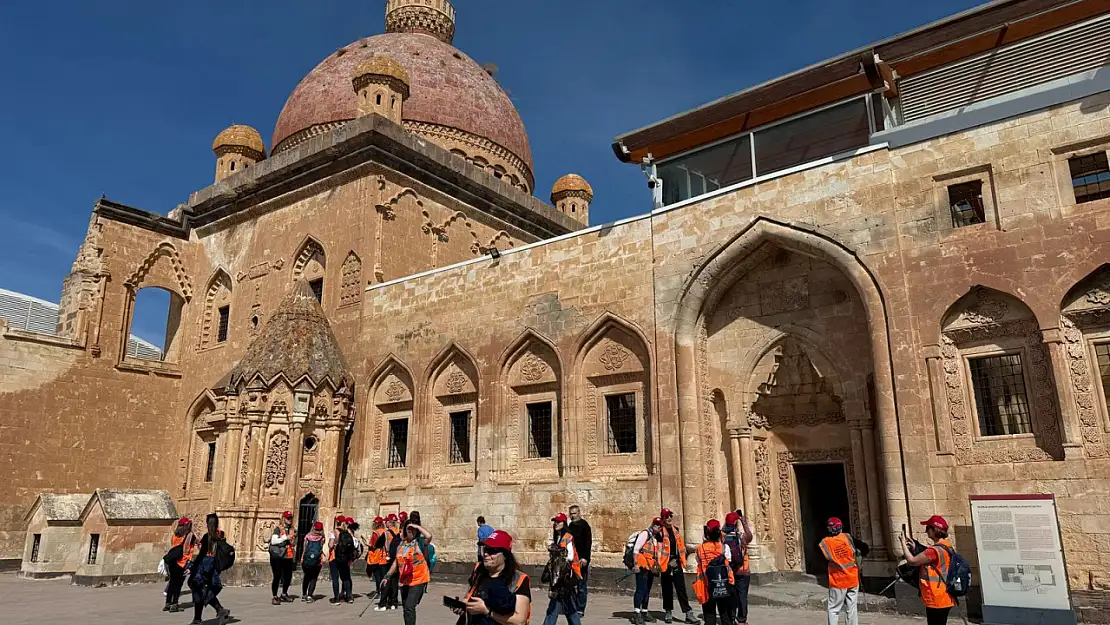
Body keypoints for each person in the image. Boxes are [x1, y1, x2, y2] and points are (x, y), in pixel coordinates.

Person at [453, 530, 532, 625]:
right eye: (485, 549)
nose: (486, 554)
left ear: (505, 555)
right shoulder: (479, 571)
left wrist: (486, 611)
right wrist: (464, 606)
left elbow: (520, 620)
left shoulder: (518, 579)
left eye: (491, 551)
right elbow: (469, 598)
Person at [902, 515, 955, 625]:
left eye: (928, 528)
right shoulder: (947, 546)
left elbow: (912, 561)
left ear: (934, 529)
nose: (926, 532)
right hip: (945, 595)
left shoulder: (934, 550)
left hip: (936, 597)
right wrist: (914, 546)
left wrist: (902, 543)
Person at [381, 520, 433, 625]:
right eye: (408, 529)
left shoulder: (420, 542)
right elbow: (396, 562)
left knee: (409, 606)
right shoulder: (401, 544)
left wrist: (417, 526)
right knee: (405, 607)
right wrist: (387, 576)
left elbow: (429, 536)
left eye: (413, 530)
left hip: (418, 580)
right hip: (404, 580)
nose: (411, 531)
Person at [187, 512, 233, 625]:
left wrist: (192, 568)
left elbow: (201, 555)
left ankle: (199, 618)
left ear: (208, 523)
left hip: (204, 568)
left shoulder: (207, 537)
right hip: (214, 569)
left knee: (199, 591)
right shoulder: (221, 535)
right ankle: (220, 611)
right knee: (206, 592)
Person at [660, 508, 700, 624]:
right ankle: (668, 611)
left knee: (681, 588)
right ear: (663, 518)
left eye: (670, 516)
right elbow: (659, 549)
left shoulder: (675, 530)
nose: (669, 518)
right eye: (666, 516)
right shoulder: (660, 533)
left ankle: (688, 613)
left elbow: (680, 546)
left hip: (676, 563)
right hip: (665, 564)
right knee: (667, 588)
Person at [542, 513, 581, 625]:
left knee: (555, 606)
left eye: (558, 522)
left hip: (566, 575)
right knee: (568, 606)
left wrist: (557, 552)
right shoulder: (558, 537)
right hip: (560, 575)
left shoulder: (568, 536)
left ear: (564, 523)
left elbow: (570, 556)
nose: (555, 524)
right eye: (555, 521)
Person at [819, 518, 860, 625]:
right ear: (840, 527)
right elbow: (861, 549)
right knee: (852, 607)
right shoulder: (847, 537)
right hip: (852, 577)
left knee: (833, 609)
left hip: (838, 580)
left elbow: (824, 558)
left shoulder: (825, 542)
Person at [693, 520, 734, 625]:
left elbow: (698, 560)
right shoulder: (724, 547)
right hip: (723, 584)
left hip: (707, 585)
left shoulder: (700, 548)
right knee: (725, 615)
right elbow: (728, 561)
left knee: (709, 615)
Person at [632, 517, 665, 625]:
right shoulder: (645, 534)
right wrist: (636, 564)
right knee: (640, 590)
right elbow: (636, 550)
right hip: (642, 567)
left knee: (647, 590)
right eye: (656, 524)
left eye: (660, 525)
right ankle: (637, 613)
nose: (658, 526)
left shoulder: (655, 537)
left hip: (650, 568)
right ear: (652, 524)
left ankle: (644, 611)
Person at [722, 511, 753, 625]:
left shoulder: (723, 537)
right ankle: (742, 620)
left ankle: (731, 617)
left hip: (730, 571)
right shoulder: (742, 537)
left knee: (731, 596)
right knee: (742, 596)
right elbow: (750, 535)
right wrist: (743, 520)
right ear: (736, 523)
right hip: (743, 571)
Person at [163, 516, 195, 613]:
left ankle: (168, 603)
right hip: (182, 562)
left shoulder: (175, 535)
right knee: (178, 584)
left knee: (172, 582)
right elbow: (191, 547)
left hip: (172, 560)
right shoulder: (190, 536)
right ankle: (175, 604)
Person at [567, 505, 592, 618]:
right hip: (572, 560)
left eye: (575, 513)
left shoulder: (585, 526)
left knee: (581, 587)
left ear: (579, 513)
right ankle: (573, 606)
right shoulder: (571, 525)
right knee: (571, 585)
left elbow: (588, 543)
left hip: (582, 560)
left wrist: (586, 558)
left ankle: (580, 609)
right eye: (571, 514)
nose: (573, 515)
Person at [269, 510, 297, 605]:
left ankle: (284, 593)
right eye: (288, 518)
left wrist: (293, 540)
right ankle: (274, 596)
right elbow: (273, 541)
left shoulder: (293, 529)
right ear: (283, 518)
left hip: (288, 555)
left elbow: (294, 543)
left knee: (288, 576)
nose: (289, 520)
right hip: (278, 555)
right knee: (277, 576)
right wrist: (286, 537)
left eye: (290, 518)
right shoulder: (278, 528)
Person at [331, 516, 357, 604]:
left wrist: (333, 543)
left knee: (335, 578)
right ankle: (349, 597)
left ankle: (337, 598)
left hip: (335, 558)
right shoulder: (348, 533)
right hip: (345, 558)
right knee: (346, 577)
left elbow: (331, 545)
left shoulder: (335, 532)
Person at [379, 514, 402, 611]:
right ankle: (394, 602)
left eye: (386, 521)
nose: (385, 523)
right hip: (396, 559)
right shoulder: (399, 532)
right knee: (394, 581)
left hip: (387, 559)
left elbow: (387, 546)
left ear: (389, 522)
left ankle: (384, 603)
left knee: (386, 580)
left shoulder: (387, 533)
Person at [301, 521, 325, 602]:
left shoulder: (307, 536)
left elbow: (304, 548)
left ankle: (304, 594)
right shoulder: (322, 538)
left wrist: (302, 557)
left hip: (307, 559)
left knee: (306, 577)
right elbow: (321, 549)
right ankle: (309, 595)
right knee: (314, 578)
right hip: (317, 560)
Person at [366, 516, 388, 603]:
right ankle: (381, 591)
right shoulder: (385, 532)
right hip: (383, 555)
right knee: (382, 575)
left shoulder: (376, 533)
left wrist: (367, 544)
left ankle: (379, 591)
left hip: (375, 555)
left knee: (377, 575)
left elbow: (373, 544)